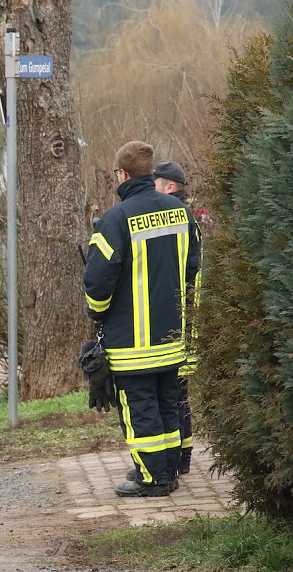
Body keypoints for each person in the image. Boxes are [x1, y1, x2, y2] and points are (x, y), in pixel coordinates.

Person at [83, 141, 200, 497]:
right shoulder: (181, 213)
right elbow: (192, 266)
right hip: (172, 336)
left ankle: (153, 478)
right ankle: (166, 469)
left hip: (131, 342)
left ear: (121, 174)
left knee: (141, 409)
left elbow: (97, 281)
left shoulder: (114, 220)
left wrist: (98, 313)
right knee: (167, 403)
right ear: (150, 174)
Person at [152, 159, 200, 475]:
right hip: (184, 318)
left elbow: (186, 270)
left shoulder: (178, 219)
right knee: (177, 392)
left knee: (176, 392)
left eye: (155, 183)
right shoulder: (183, 217)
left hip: (181, 320)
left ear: (170, 186)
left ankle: (181, 457)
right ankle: (181, 455)